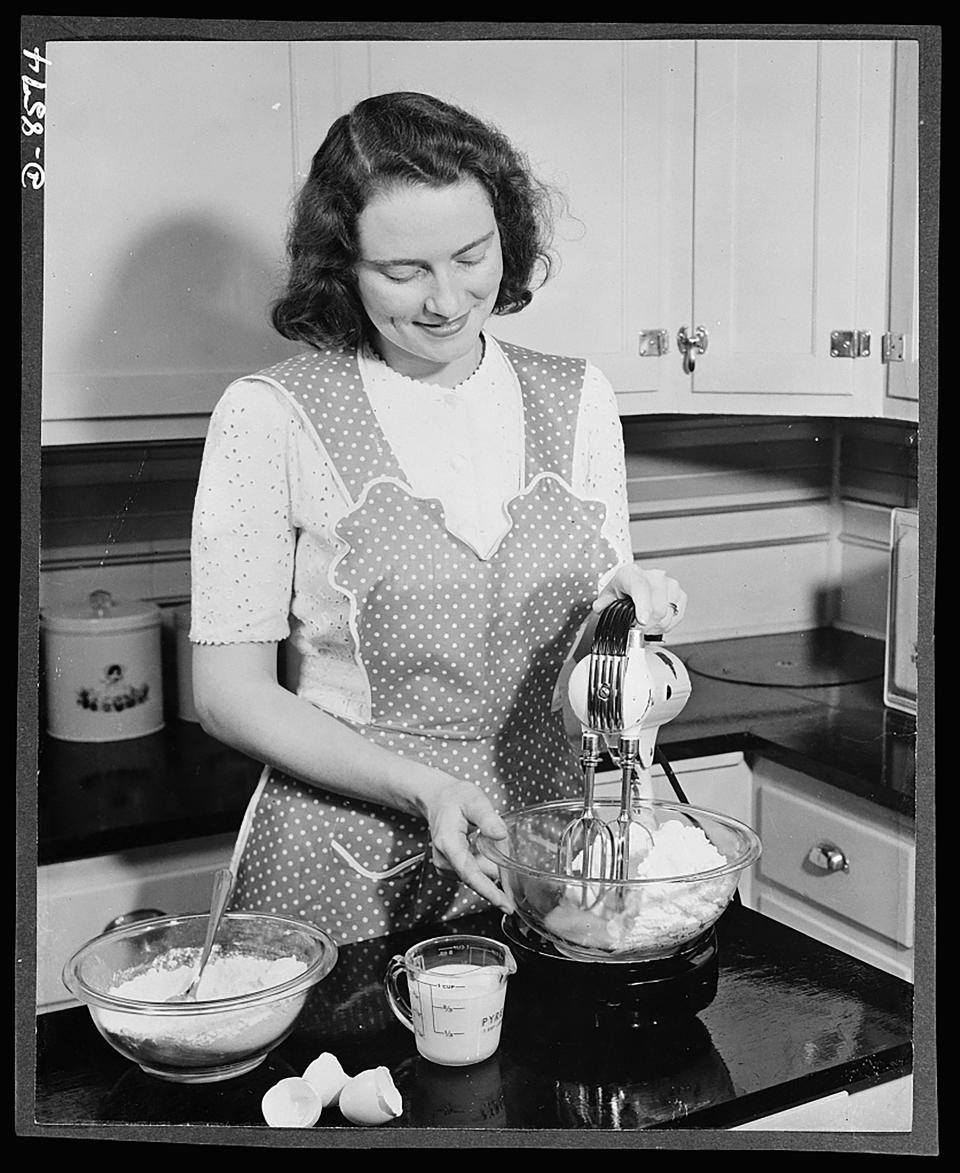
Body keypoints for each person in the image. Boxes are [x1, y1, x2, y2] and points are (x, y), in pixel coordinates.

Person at [189, 91, 687, 947]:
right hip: (341, 863)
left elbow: (585, 667)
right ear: (342, 264)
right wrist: (422, 787)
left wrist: (628, 617)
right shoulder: (270, 414)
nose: (447, 300)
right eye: (403, 270)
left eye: (471, 255)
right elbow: (228, 696)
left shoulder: (580, 398)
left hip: (539, 856)